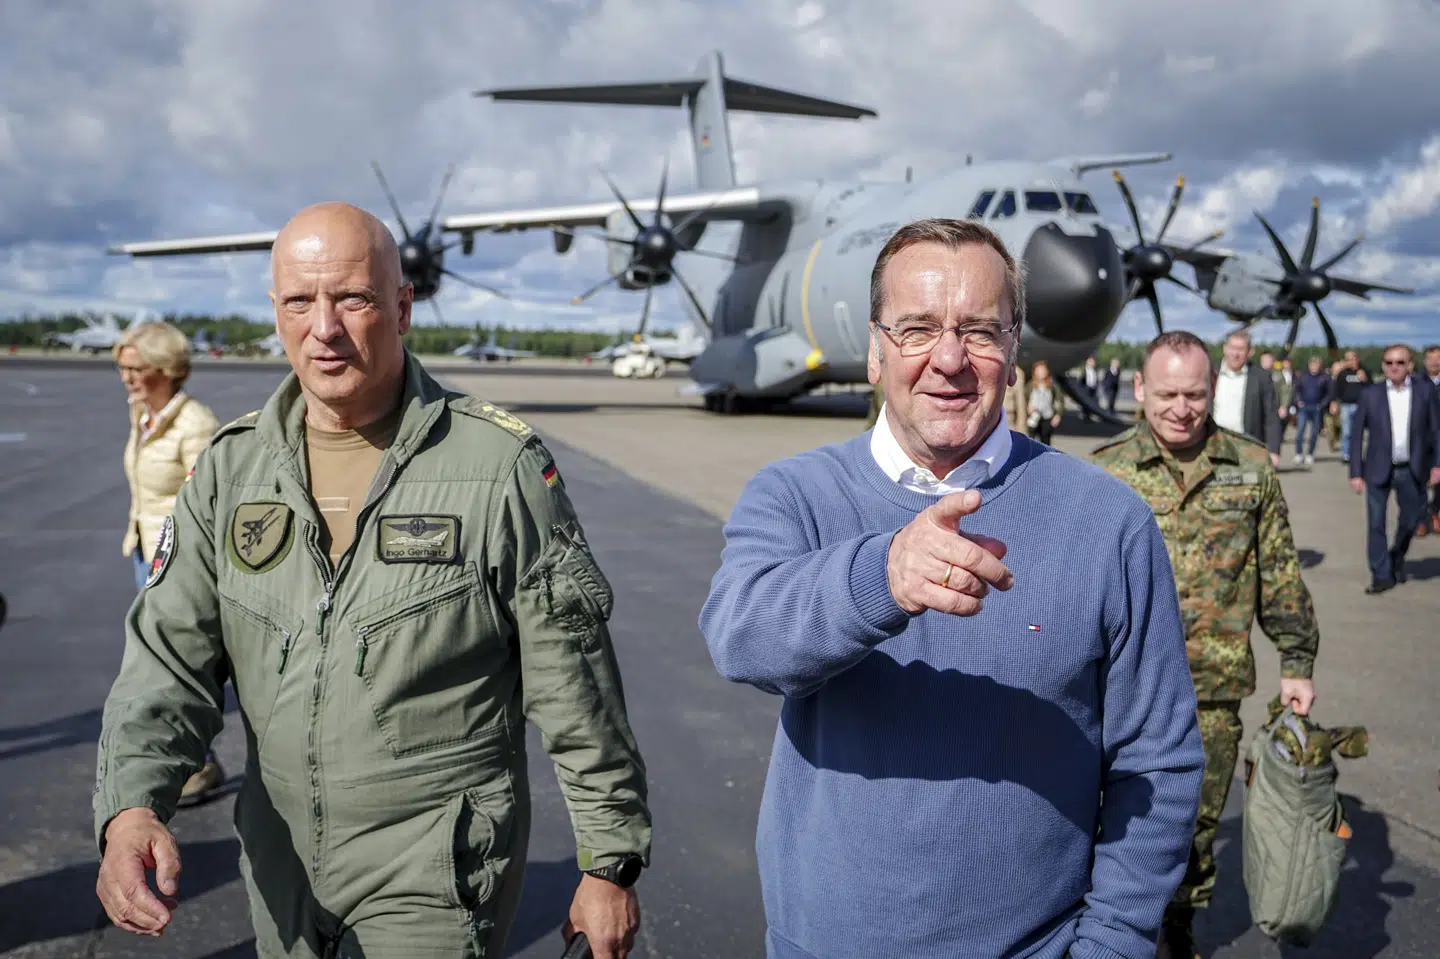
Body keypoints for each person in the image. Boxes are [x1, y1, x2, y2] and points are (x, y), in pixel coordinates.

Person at [92, 203, 651, 959]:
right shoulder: (231, 468)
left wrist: (609, 860)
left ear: (402, 306)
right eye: (300, 301)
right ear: (276, 311)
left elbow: (571, 675)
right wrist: (132, 806)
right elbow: (167, 657)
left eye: (352, 298)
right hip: (279, 860)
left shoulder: (496, 468)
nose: (324, 327)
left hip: (435, 866)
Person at [700, 217, 1203, 959]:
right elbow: (741, 636)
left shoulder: (1109, 520)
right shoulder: (794, 495)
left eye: (980, 331)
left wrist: (1112, 943)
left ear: (1014, 349)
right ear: (875, 352)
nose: (948, 359)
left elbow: (1158, 761)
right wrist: (882, 575)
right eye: (917, 329)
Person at [1089, 330, 1320, 958]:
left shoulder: (1250, 468)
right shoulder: (1105, 472)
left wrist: (1297, 661)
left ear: (1213, 389)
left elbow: (1279, 572)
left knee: (1196, 821)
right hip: (1121, 683)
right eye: (1167, 394)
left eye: (1194, 394)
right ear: (1140, 388)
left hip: (1212, 687)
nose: (1181, 409)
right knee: (1111, 812)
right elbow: (1078, 580)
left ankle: (1179, 928)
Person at [113, 320, 225, 803]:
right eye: (122, 368)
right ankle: (195, 760)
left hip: (178, 562)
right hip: (146, 549)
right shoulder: (143, 414)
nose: (127, 378)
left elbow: (210, 502)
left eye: (136, 369)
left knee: (179, 664)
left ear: (167, 369)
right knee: (160, 662)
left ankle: (200, 763)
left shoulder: (194, 424)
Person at [1346, 344, 1440, 593]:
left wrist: (1437, 464)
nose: (1394, 367)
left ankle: (1396, 557)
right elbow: (1357, 435)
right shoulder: (1371, 394)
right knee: (1376, 524)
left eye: (1400, 362)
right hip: (1377, 469)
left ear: (1410, 365)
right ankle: (1381, 575)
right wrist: (1355, 472)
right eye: (1389, 362)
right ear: (1383, 366)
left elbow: (1435, 430)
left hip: (1412, 468)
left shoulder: (1424, 391)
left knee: (1411, 521)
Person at [1212, 329, 1281, 465]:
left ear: (1250, 352)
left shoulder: (1261, 377)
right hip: (1214, 445)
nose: (1235, 354)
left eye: (1241, 349)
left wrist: (1274, 450)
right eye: (1232, 348)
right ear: (1225, 348)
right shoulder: (1210, 371)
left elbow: (1271, 416)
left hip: (1247, 447)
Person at [1292, 355, 1333, 467]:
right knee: (1300, 431)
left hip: (1317, 408)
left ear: (1320, 366)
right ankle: (1299, 454)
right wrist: (1298, 401)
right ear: (1309, 366)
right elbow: (1296, 390)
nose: (1314, 367)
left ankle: (1310, 454)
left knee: (1314, 433)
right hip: (1304, 407)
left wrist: (1322, 405)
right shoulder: (1303, 377)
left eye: (1317, 365)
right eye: (1313, 365)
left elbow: (1329, 393)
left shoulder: (1325, 378)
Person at [1333, 350, 1368, 463]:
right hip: (1345, 406)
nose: (1350, 361)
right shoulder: (1342, 374)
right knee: (1346, 432)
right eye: (1347, 359)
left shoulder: (1364, 371)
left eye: (1352, 359)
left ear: (1357, 359)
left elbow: (1372, 388)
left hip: (1360, 406)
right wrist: (1334, 402)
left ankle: (1357, 455)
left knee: (1358, 432)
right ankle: (1346, 455)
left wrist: (1365, 380)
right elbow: (1336, 389)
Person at [1420, 344, 1440, 535]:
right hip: (1421, 438)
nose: (1435, 362)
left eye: (1438, 358)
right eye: (1431, 358)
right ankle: (1421, 518)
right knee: (1418, 481)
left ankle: (1434, 510)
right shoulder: (1415, 382)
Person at [1026, 359, 1064, 444]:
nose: (1041, 373)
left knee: (1045, 441)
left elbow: (1059, 400)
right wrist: (1028, 410)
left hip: (1047, 417)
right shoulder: (1030, 385)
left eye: (1043, 370)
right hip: (1033, 417)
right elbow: (1024, 400)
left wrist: (1058, 415)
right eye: (1038, 370)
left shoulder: (1052, 385)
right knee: (1031, 441)